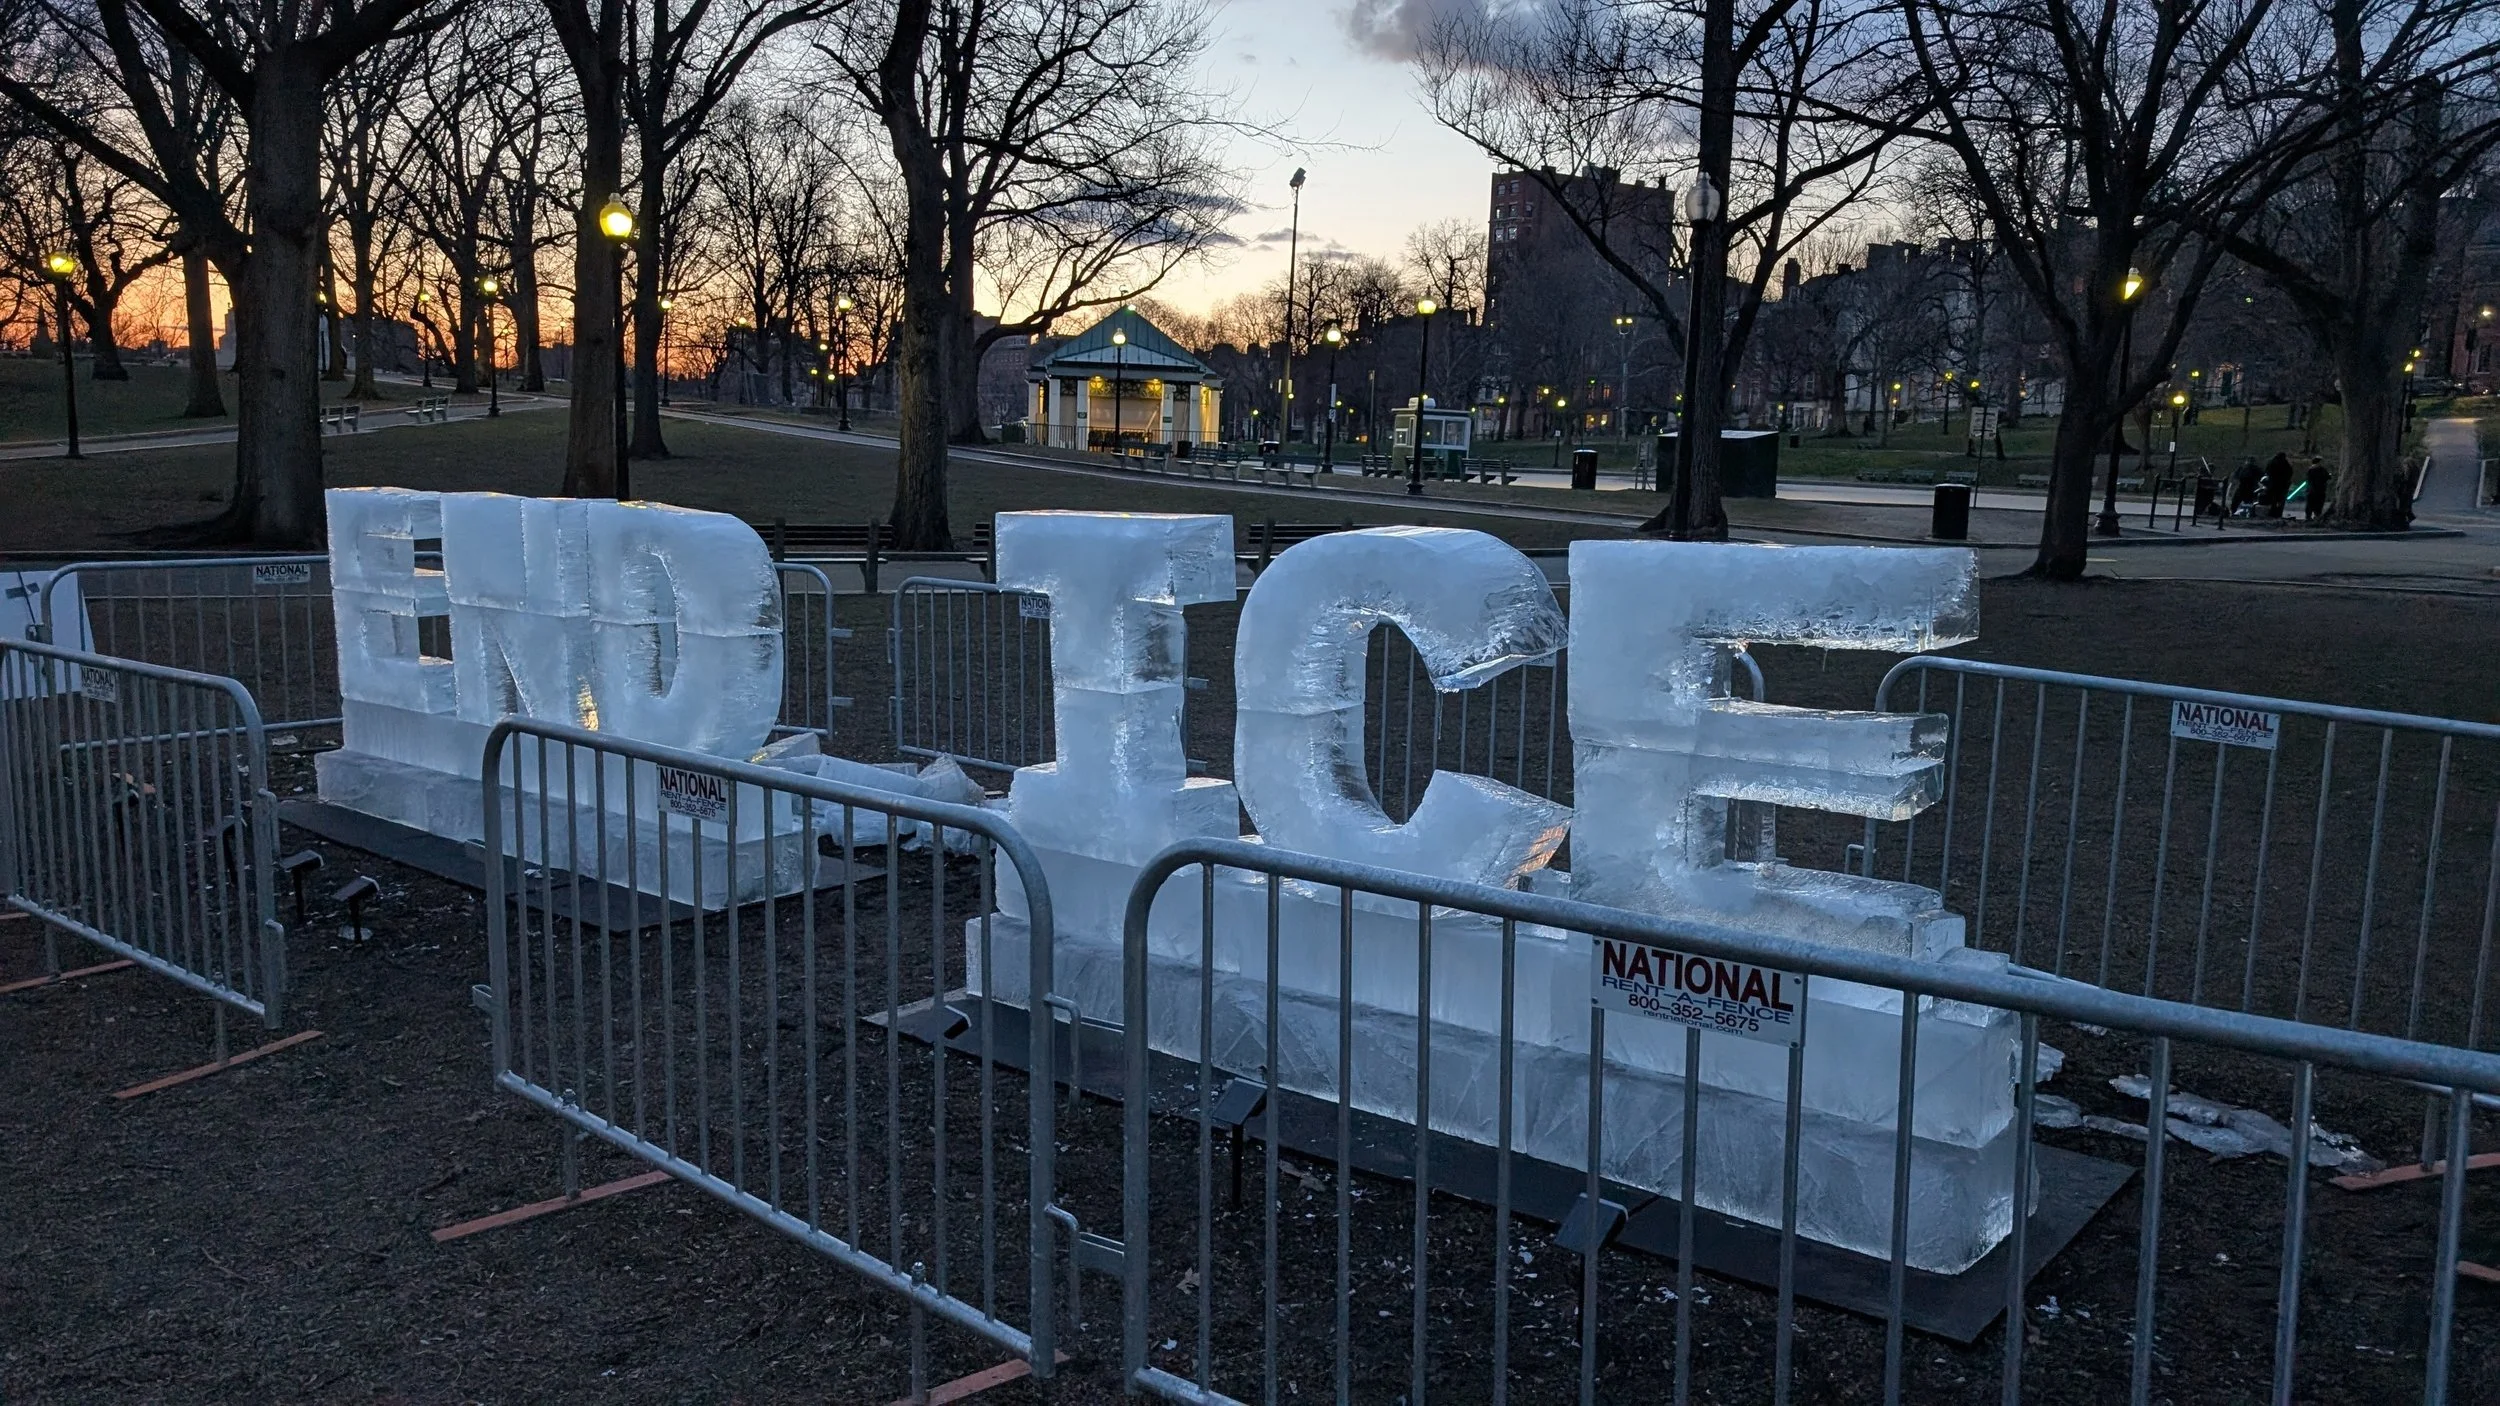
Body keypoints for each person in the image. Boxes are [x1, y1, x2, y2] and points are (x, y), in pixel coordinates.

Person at [2262, 451, 2294, 516]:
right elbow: (2290, 472)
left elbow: (2267, 471)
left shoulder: (2272, 462)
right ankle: (2278, 513)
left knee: (2272, 500)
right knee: (2280, 500)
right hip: (2282, 485)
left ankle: (2270, 513)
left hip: (2272, 484)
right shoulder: (2285, 463)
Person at [2303, 456, 2329, 521]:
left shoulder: (2310, 470)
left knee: (2310, 504)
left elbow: (2308, 479)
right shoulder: (2322, 470)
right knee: (2318, 504)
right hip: (2319, 490)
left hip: (2311, 490)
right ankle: (2317, 516)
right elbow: (2326, 477)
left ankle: (2308, 516)